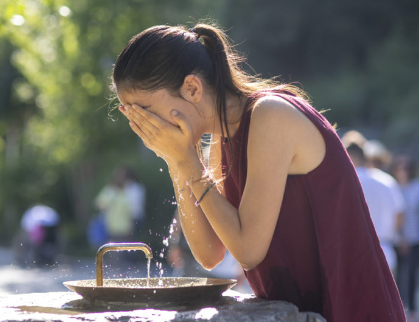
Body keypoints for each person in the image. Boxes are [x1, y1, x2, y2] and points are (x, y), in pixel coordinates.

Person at [110, 22, 405, 321]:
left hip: (354, 310)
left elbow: (248, 250)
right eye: (131, 115)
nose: (142, 126)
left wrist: (187, 162)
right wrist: (176, 160)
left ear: (192, 88)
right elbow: (210, 253)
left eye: (144, 111)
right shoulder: (218, 140)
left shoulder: (270, 115)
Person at [342, 135, 402, 273]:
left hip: (354, 253)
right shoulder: (387, 180)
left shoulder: (345, 182)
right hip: (386, 250)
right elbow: (399, 218)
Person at [391, 155, 419, 321]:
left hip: (415, 237)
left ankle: (413, 310)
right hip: (395, 238)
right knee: (397, 276)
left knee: (412, 274)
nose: (402, 171)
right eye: (400, 168)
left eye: (405, 168)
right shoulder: (391, 186)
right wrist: (400, 238)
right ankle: (399, 308)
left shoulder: (416, 187)